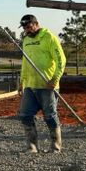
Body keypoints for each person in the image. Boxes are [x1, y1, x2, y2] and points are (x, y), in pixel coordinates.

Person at [17, 14, 67, 153]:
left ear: (36, 24)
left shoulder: (48, 37)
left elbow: (61, 60)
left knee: (50, 116)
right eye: (24, 28)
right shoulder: (26, 40)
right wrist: (22, 81)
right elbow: (25, 62)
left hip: (47, 85)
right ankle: (32, 146)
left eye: (29, 27)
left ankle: (56, 146)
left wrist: (55, 79)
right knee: (25, 115)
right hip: (30, 85)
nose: (26, 30)